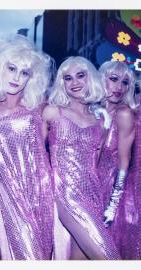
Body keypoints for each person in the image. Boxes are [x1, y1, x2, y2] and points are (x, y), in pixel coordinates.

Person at [0, 34, 55, 260]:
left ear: (31, 77)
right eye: (12, 68)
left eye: (24, 72)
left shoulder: (39, 109)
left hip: (43, 192)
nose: (17, 77)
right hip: (8, 195)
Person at [42, 56, 121, 260]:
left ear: (91, 78)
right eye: (68, 78)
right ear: (62, 83)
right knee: (109, 257)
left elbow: (98, 163)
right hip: (67, 196)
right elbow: (35, 153)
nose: (75, 82)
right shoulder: (52, 112)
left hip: (94, 196)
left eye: (80, 76)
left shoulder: (99, 120)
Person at [98, 61, 137, 258]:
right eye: (113, 79)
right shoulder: (89, 112)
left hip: (113, 191)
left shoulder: (124, 114)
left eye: (124, 83)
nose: (119, 87)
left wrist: (112, 205)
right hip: (87, 189)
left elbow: (124, 162)